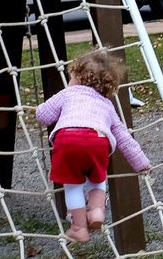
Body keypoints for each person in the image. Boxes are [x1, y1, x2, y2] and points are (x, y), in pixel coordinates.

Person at [36, 51, 150, 242]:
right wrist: (141, 163)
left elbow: (43, 115)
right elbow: (123, 138)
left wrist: (41, 109)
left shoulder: (68, 93)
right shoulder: (106, 104)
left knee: (72, 185)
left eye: (71, 77)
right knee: (97, 178)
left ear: (78, 78)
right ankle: (97, 211)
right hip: (98, 141)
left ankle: (79, 228)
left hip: (68, 140)